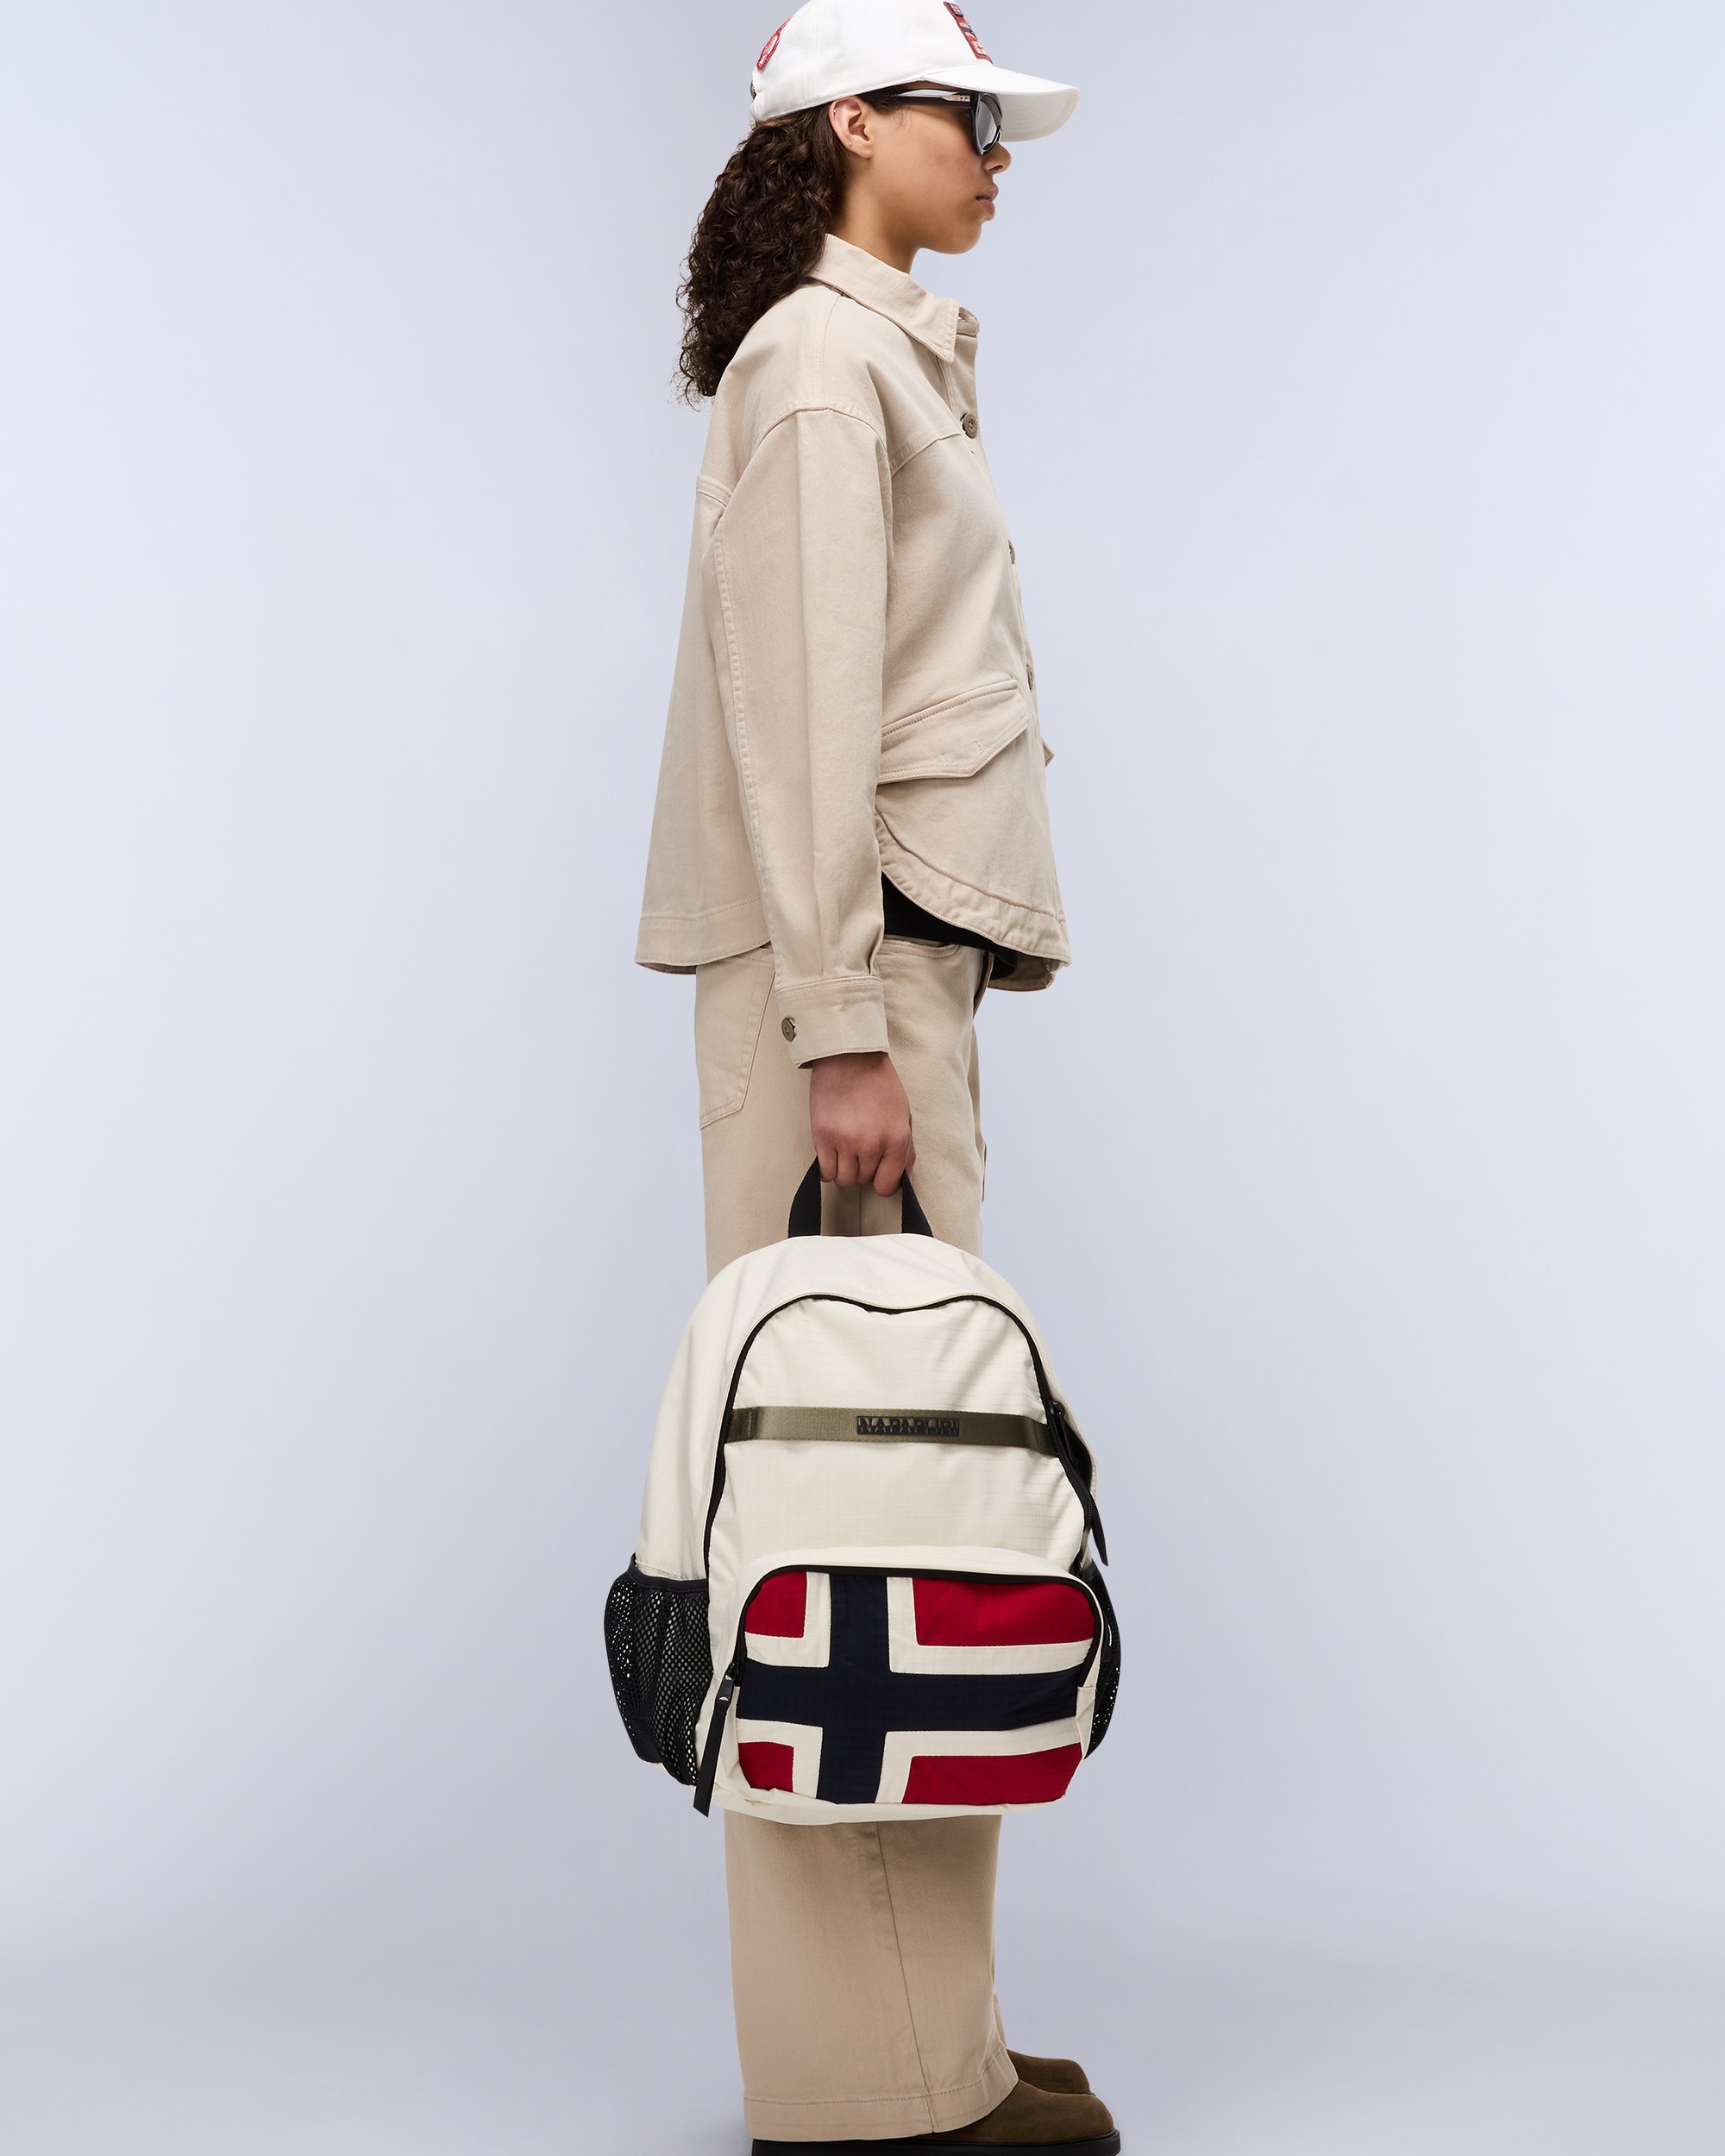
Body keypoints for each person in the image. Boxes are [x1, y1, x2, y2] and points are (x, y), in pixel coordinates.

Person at [636, 3, 1115, 2148]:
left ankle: (930, 2048)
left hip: (884, 962)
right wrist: (840, 1019)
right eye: (965, 117)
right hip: (852, 978)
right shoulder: (829, 364)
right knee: (856, 1494)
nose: (997, 155)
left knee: (902, 1480)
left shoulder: (871, 354)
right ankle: (870, 2089)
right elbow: (806, 708)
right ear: (850, 119)